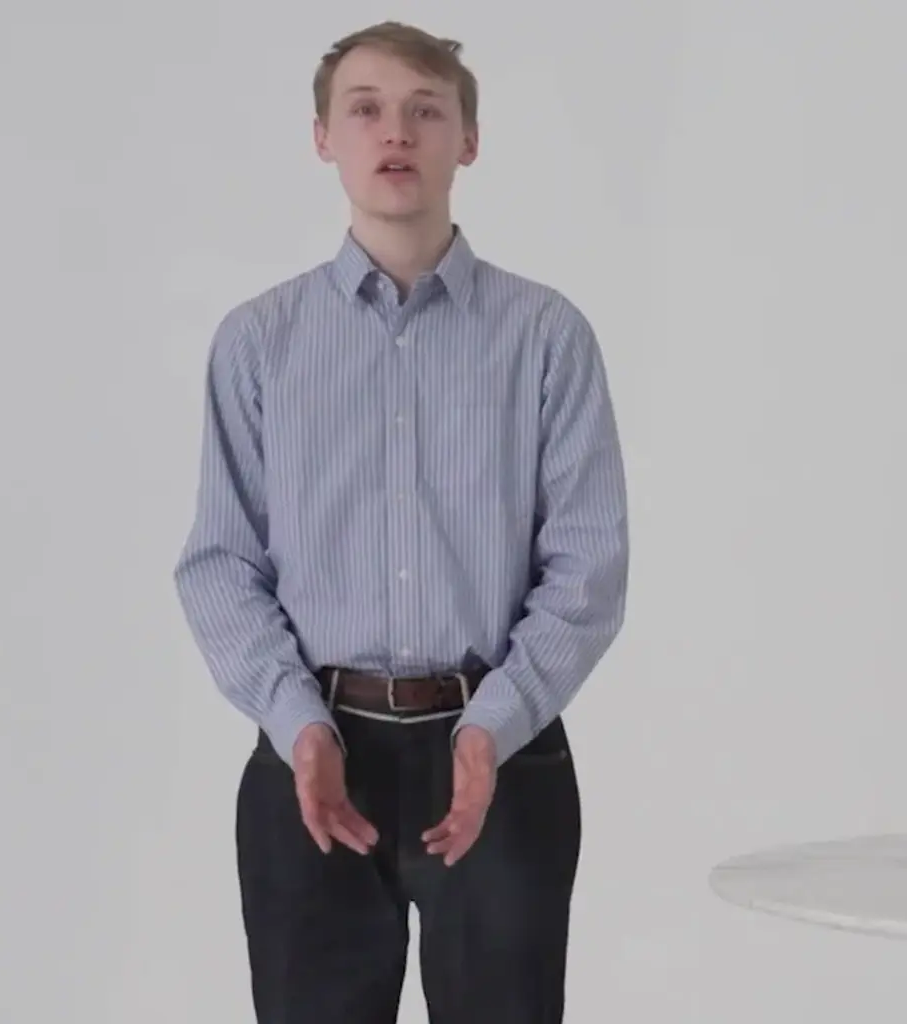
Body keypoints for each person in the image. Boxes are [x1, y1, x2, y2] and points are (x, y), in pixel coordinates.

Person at [173, 19, 629, 1024]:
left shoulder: (545, 337)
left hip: (502, 756)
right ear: (322, 138)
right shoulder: (258, 344)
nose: (396, 132)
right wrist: (296, 722)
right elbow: (220, 563)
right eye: (366, 109)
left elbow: (587, 566)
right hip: (312, 757)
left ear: (469, 140)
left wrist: (493, 725)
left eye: (426, 110)